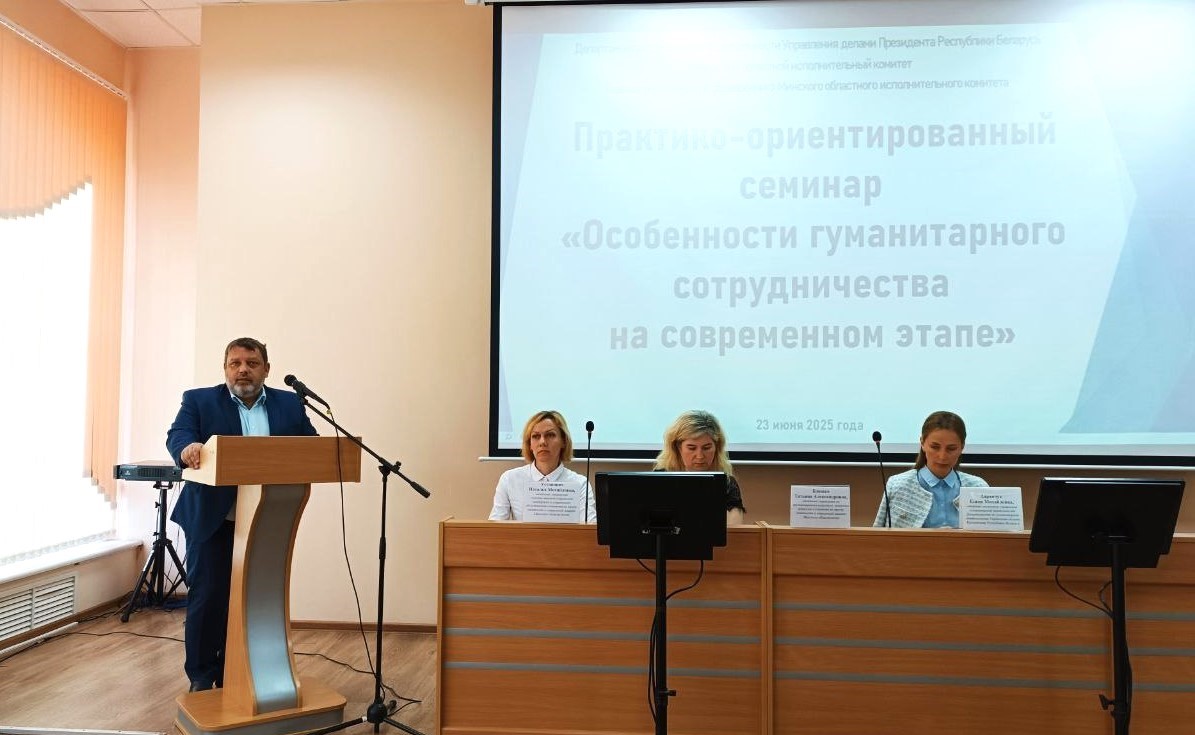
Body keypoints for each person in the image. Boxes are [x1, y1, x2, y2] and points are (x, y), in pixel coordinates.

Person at [166, 337, 317, 692]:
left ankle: (237, 673)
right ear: (225, 369)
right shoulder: (199, 400)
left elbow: (312, 446)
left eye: (252, 363)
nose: (243, 370)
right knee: (209, 597)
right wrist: (187, 448)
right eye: (235, 363)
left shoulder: (290, 404)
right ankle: (202, 677)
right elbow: (178, 435)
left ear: (267, 369)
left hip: (268, 519)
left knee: (257, 599)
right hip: (213, 518)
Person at [872, 410, 988, 529]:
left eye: (951, 449)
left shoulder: (978, 488)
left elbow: (991, 537)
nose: (942, 456)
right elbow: (877, 535)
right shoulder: (897, 485)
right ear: (922, 443)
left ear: (962, 447)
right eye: (935, 447)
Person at [489, 410, 595, 522]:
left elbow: (591, 527)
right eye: (536, 436)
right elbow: (495, 526)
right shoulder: (509, 479)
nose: (542, 442)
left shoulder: (580, 483)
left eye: (550, 435)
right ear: (530, 444)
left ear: (563, 441)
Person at [655, 410, 746, 525]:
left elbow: (734, 528)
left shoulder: (726, 483)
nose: (700, 456)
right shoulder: (660, 479)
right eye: (692, 448)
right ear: (678, 447)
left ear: (716, 447)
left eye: (706, 448)